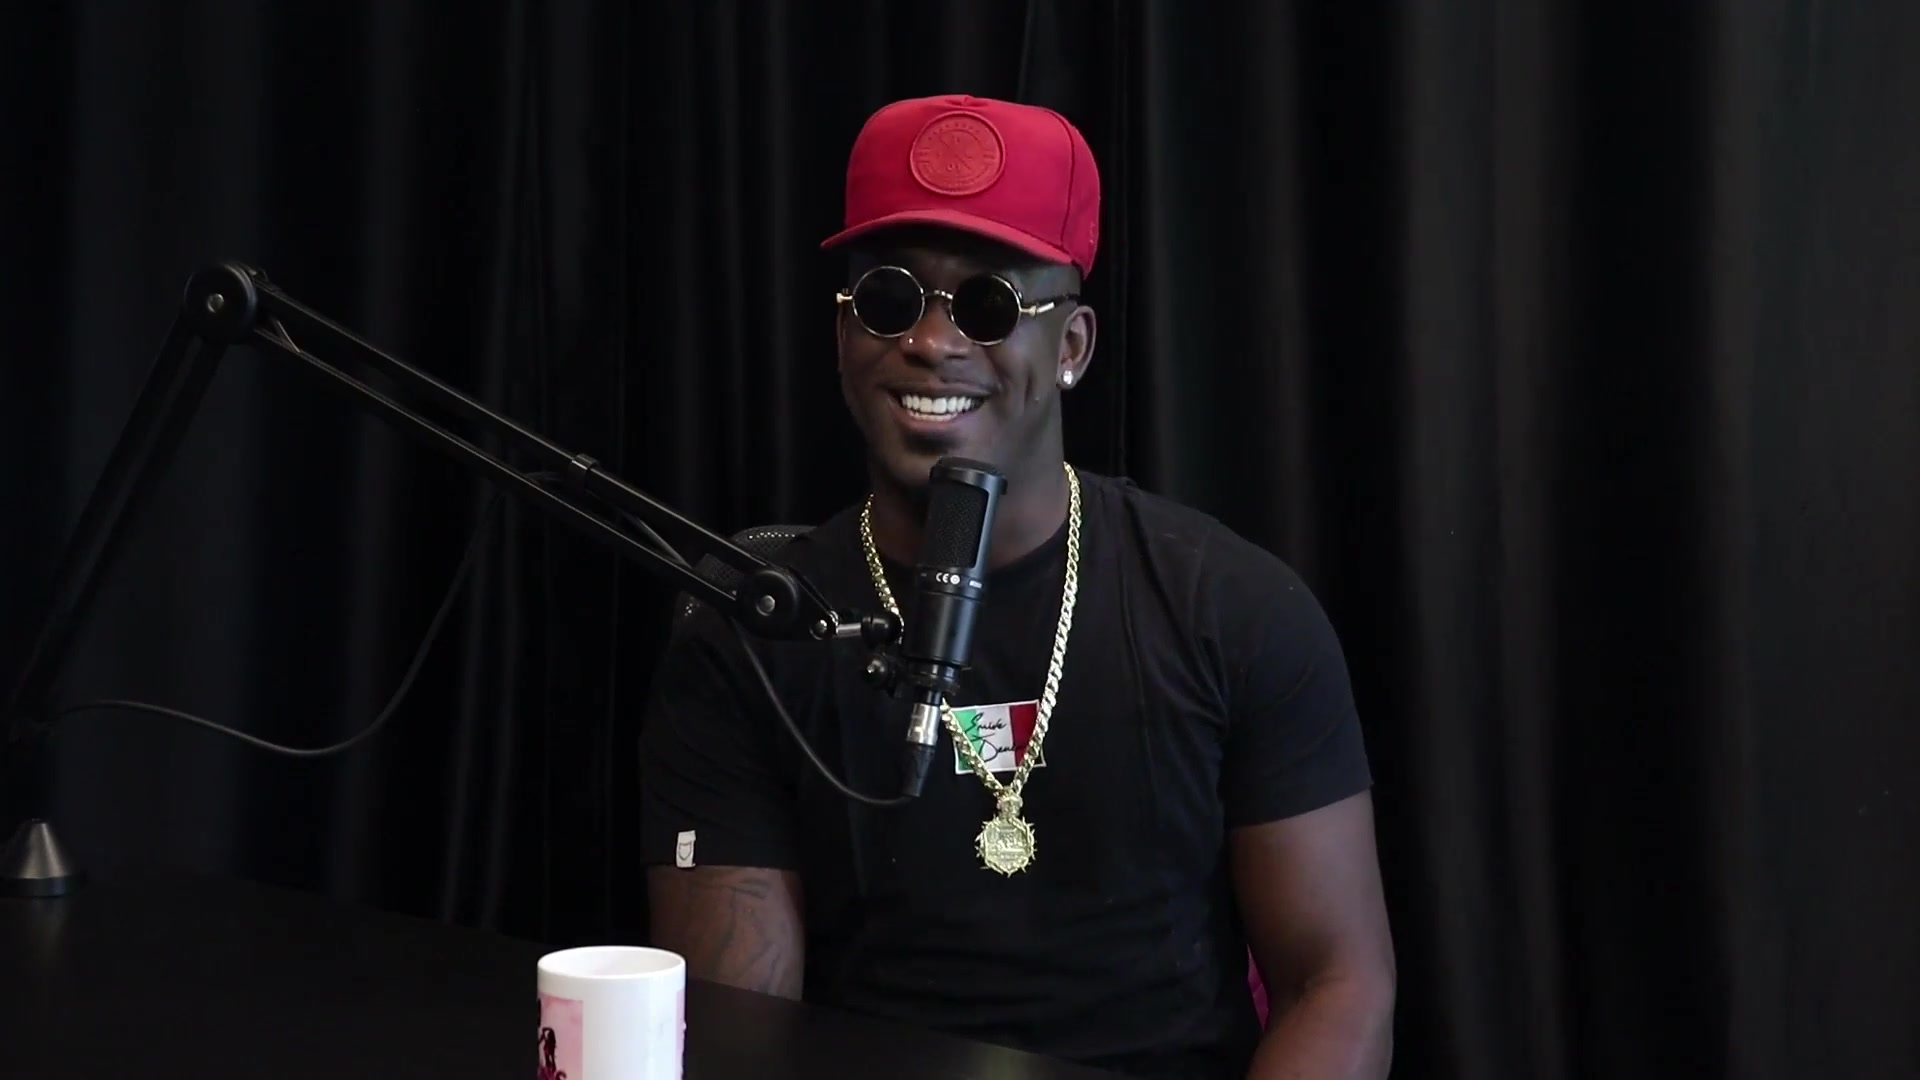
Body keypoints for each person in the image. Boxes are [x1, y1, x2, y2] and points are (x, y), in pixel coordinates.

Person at [638, 93, 1396, 1079]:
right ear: (843, 334)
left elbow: (1336, 982)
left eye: (988, 305)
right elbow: (738, 1026)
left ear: (1071, 346)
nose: (931, 341)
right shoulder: (754, 629)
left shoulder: (1233, 608)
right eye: (890, 300)